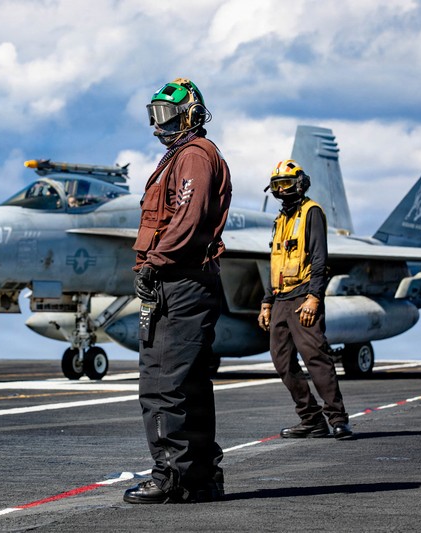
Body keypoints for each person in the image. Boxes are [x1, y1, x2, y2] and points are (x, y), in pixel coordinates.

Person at [123, 78, 232, 504]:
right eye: (154, 116)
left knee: (164, 384)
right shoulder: (182, 157)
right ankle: (200, 478)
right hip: (182, 280)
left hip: (180, 282)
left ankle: (172, 477)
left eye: (165, 116)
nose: (157, 126)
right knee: (187, 383)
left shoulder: (193, 157)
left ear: (189, 115)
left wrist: (155, 263)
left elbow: (186, 219)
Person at [257, 159, 353, 440]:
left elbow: (320, 258)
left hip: (302, 296)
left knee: (316, 357)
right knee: (282, 361)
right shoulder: (280, 220)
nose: (281, 190)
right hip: (280, 299)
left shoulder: (311, 213)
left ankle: (337, 418)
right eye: (277, 185)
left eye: (286, 184)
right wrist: (266, 302)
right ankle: (311, 419)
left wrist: (314, 297)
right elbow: (274, 262)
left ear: (300, 184)